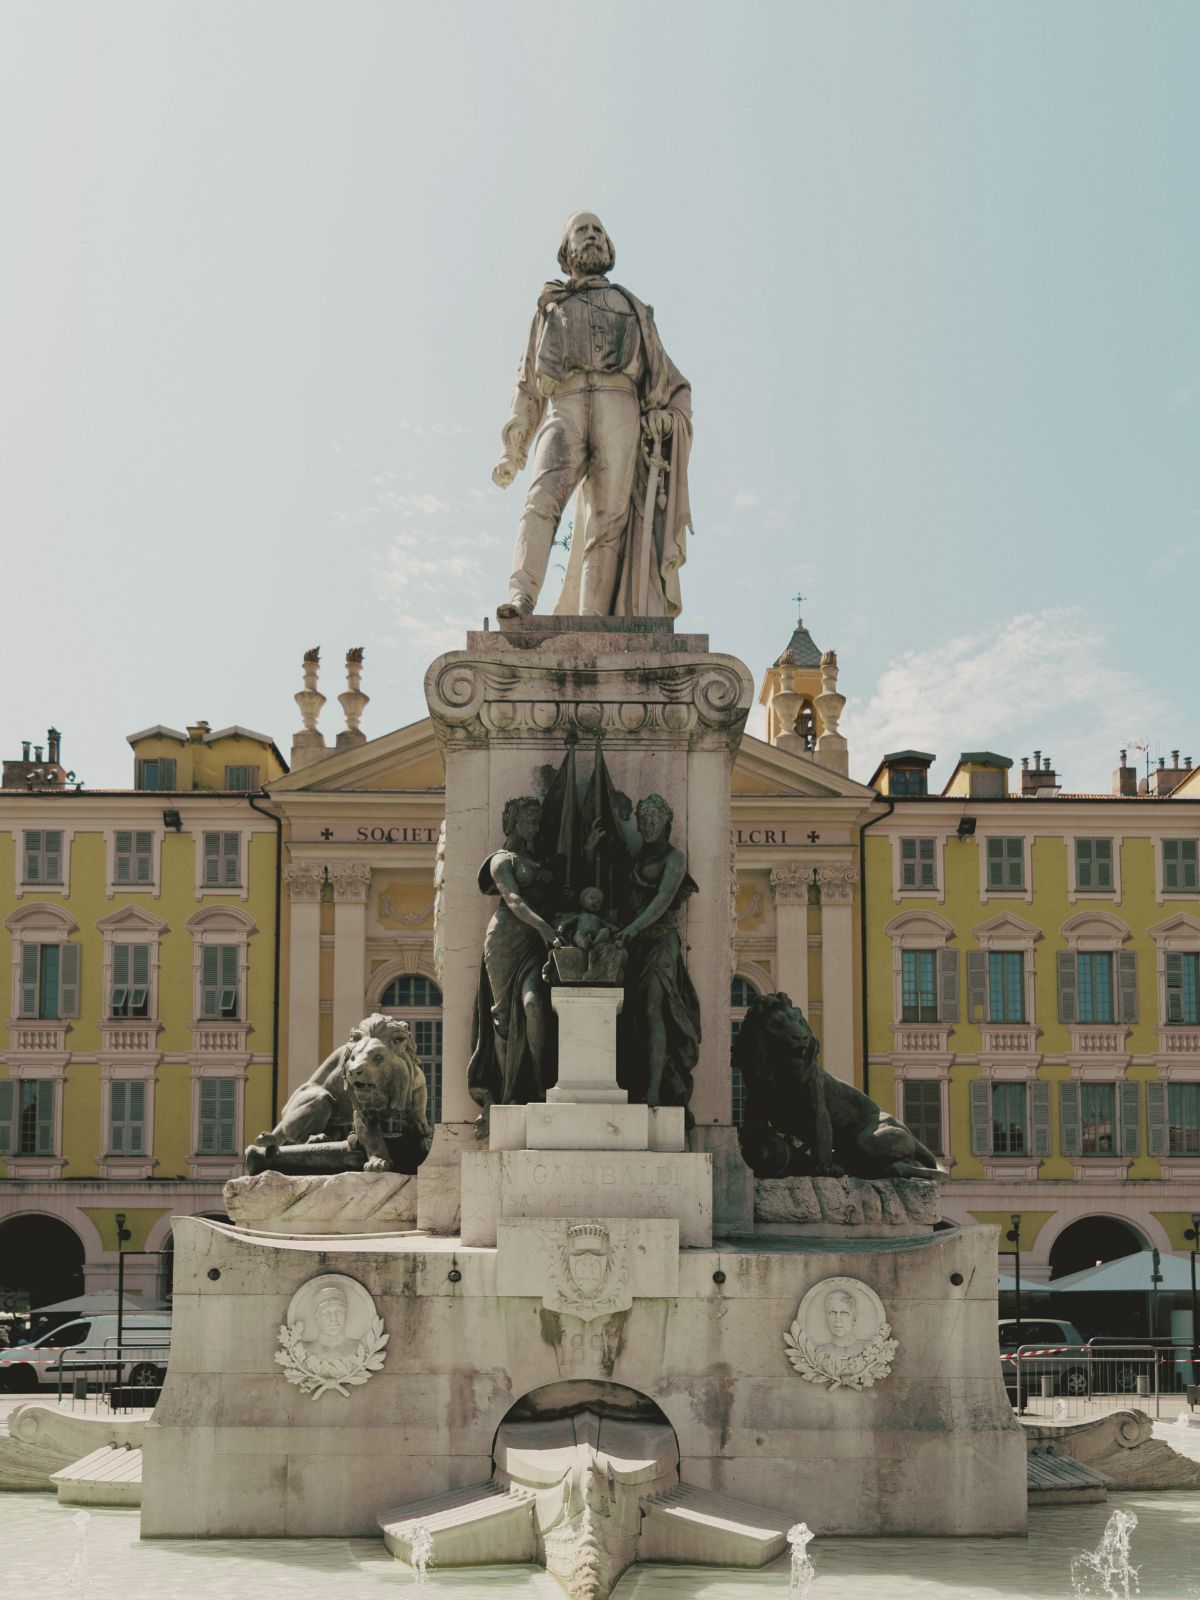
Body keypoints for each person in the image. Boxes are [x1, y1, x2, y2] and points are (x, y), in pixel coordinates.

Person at [492, 212, 693, 620]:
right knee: (540, 500)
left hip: (619, 405)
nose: (592, 236)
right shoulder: (550, 307)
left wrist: (666, 416)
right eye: (582, 231)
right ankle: (520, 598)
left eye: (598, 231)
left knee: (608, 520)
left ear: (609, 247)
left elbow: (671, 382)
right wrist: (513, 449)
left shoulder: (633, 308)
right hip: (563, 404)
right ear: (566, 250)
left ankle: (592, 618)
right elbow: (527, 382)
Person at [468, 797, 562, 1123]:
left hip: (535, 944)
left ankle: (540, 1082)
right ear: (513, 822)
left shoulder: (541, 861)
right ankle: (508, 1092)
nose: (534, 826)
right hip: (506, 941)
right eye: (528, 820)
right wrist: (546, 929)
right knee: (504, 1018)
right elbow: (514, 900)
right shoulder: (500, 861)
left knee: (534, 1005)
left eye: (537, 820)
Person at [616, 795, 700, 1111]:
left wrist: (633, 928)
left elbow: (662, 900)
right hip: (635, 945)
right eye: (643, 819)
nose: (649, 825)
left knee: (654, 1006)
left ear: (666, 823)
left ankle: (654, 1089)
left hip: (661, 940)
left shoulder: (674, 858)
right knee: (634, 1014)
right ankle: (638, 1082)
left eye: (654, 819)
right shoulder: (635, 859)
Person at [301, 1285, 359, 1363]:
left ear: (345, 1315)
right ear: (317, 1317)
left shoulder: (359, 1348)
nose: (334, 1318)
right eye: (327, 1313)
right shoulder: (304, 1350)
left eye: (339, 1312)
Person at [814, 1289, 869, 1361]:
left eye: (844, 1313)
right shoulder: (818, 1352)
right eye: (833, 1313)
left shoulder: (868, 1348)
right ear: (826, 1318)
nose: (837, 1319)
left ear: (854, 1318)